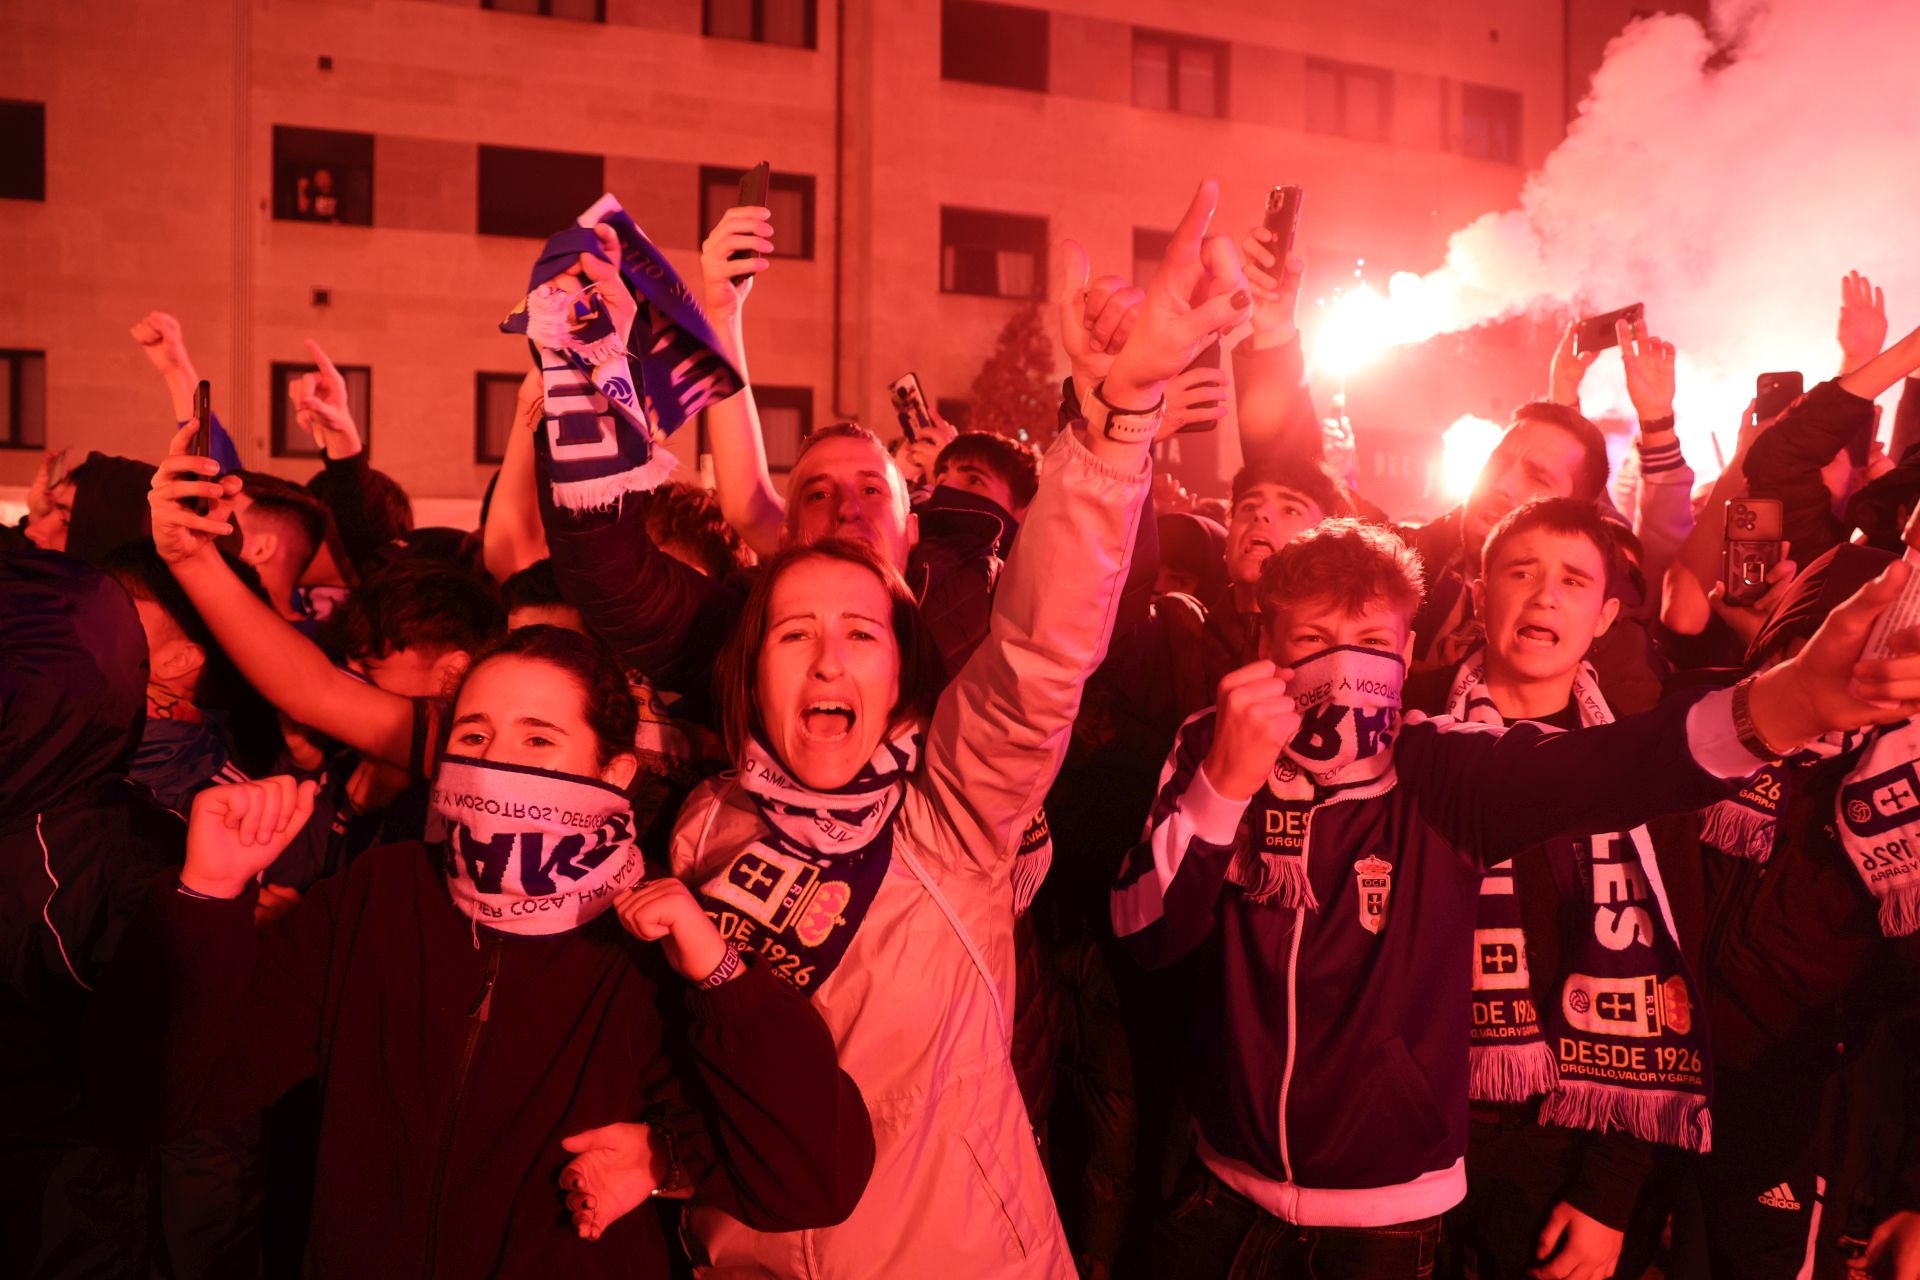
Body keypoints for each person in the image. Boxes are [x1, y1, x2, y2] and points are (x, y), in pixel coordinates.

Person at [554, 179, 1252, 1277]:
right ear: (748, 669)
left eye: (861, 636)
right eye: (794, 635)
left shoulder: (954, 816)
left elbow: (1041, 649)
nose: (828, 660)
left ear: (905, 673)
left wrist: (1123, 413)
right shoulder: (697, 833)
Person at [1110, 511, 1920, 1279]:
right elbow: (1146, 935)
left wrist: (1793, 702)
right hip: (1218, 1184)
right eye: (1314, 642)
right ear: (1266, 644)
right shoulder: (1209, 743)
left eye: (1370, 645)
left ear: (1408, 650)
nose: (1343, 670)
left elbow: (1622, 765)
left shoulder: (1439, 769)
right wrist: (1223, 786)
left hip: (1386, 1216)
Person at [83, 619, 875, 1277]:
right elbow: (162, 1096)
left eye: (539, 740)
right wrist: (207, 895)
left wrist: (723, 981)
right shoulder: (379, 894)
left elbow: (807, 1182)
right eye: (475, 735)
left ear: (614, 772)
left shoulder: (654, 937)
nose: (498, 762)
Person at [1409, 499, 1711, 1280]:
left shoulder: (1644, 765)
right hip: (1400, 1135)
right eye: (1522, 572)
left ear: (1605, 616)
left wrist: (1609, 1193)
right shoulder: (1405, 733)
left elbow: (1670, 983)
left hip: (1563, 1151)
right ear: (1480, 596)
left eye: (1573, 580)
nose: (1545, 594)